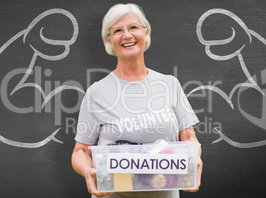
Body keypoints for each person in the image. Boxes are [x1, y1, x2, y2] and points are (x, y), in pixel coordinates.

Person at [72, 3, 202, 198]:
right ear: (109, 40)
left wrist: (195, 161)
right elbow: (80, 151)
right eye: (117, 30)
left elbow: (189, 139)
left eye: (133, 27)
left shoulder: (169, 84)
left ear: (145, 31)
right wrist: (89, 172)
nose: (127, 35)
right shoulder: (96, 93)